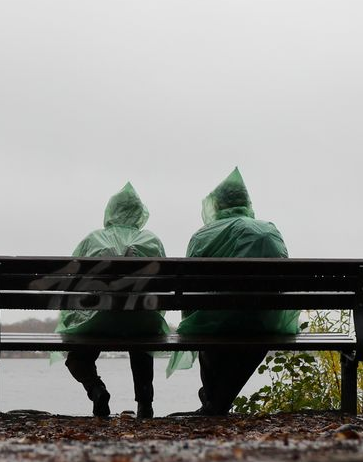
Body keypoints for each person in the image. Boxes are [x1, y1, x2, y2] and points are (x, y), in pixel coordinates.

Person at [175, 168, 298, 414]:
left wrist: (192, 319)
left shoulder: (202, 236)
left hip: (216, 323)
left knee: (210, 326)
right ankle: (217, 403)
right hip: (264, 322)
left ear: (216, 205)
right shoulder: (269, 231)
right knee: (254, 327)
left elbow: (189, 291)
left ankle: (215, 403)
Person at [58, 182, 167, 419]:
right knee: (142, 335)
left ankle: (96, 389)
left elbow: (71, 286)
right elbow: (163, 290)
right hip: (142, 322)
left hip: (99, 321)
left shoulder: (93, 240)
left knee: (76, 357)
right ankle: (145, 404)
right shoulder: (151, 241)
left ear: (110, 211)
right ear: (139, 213)